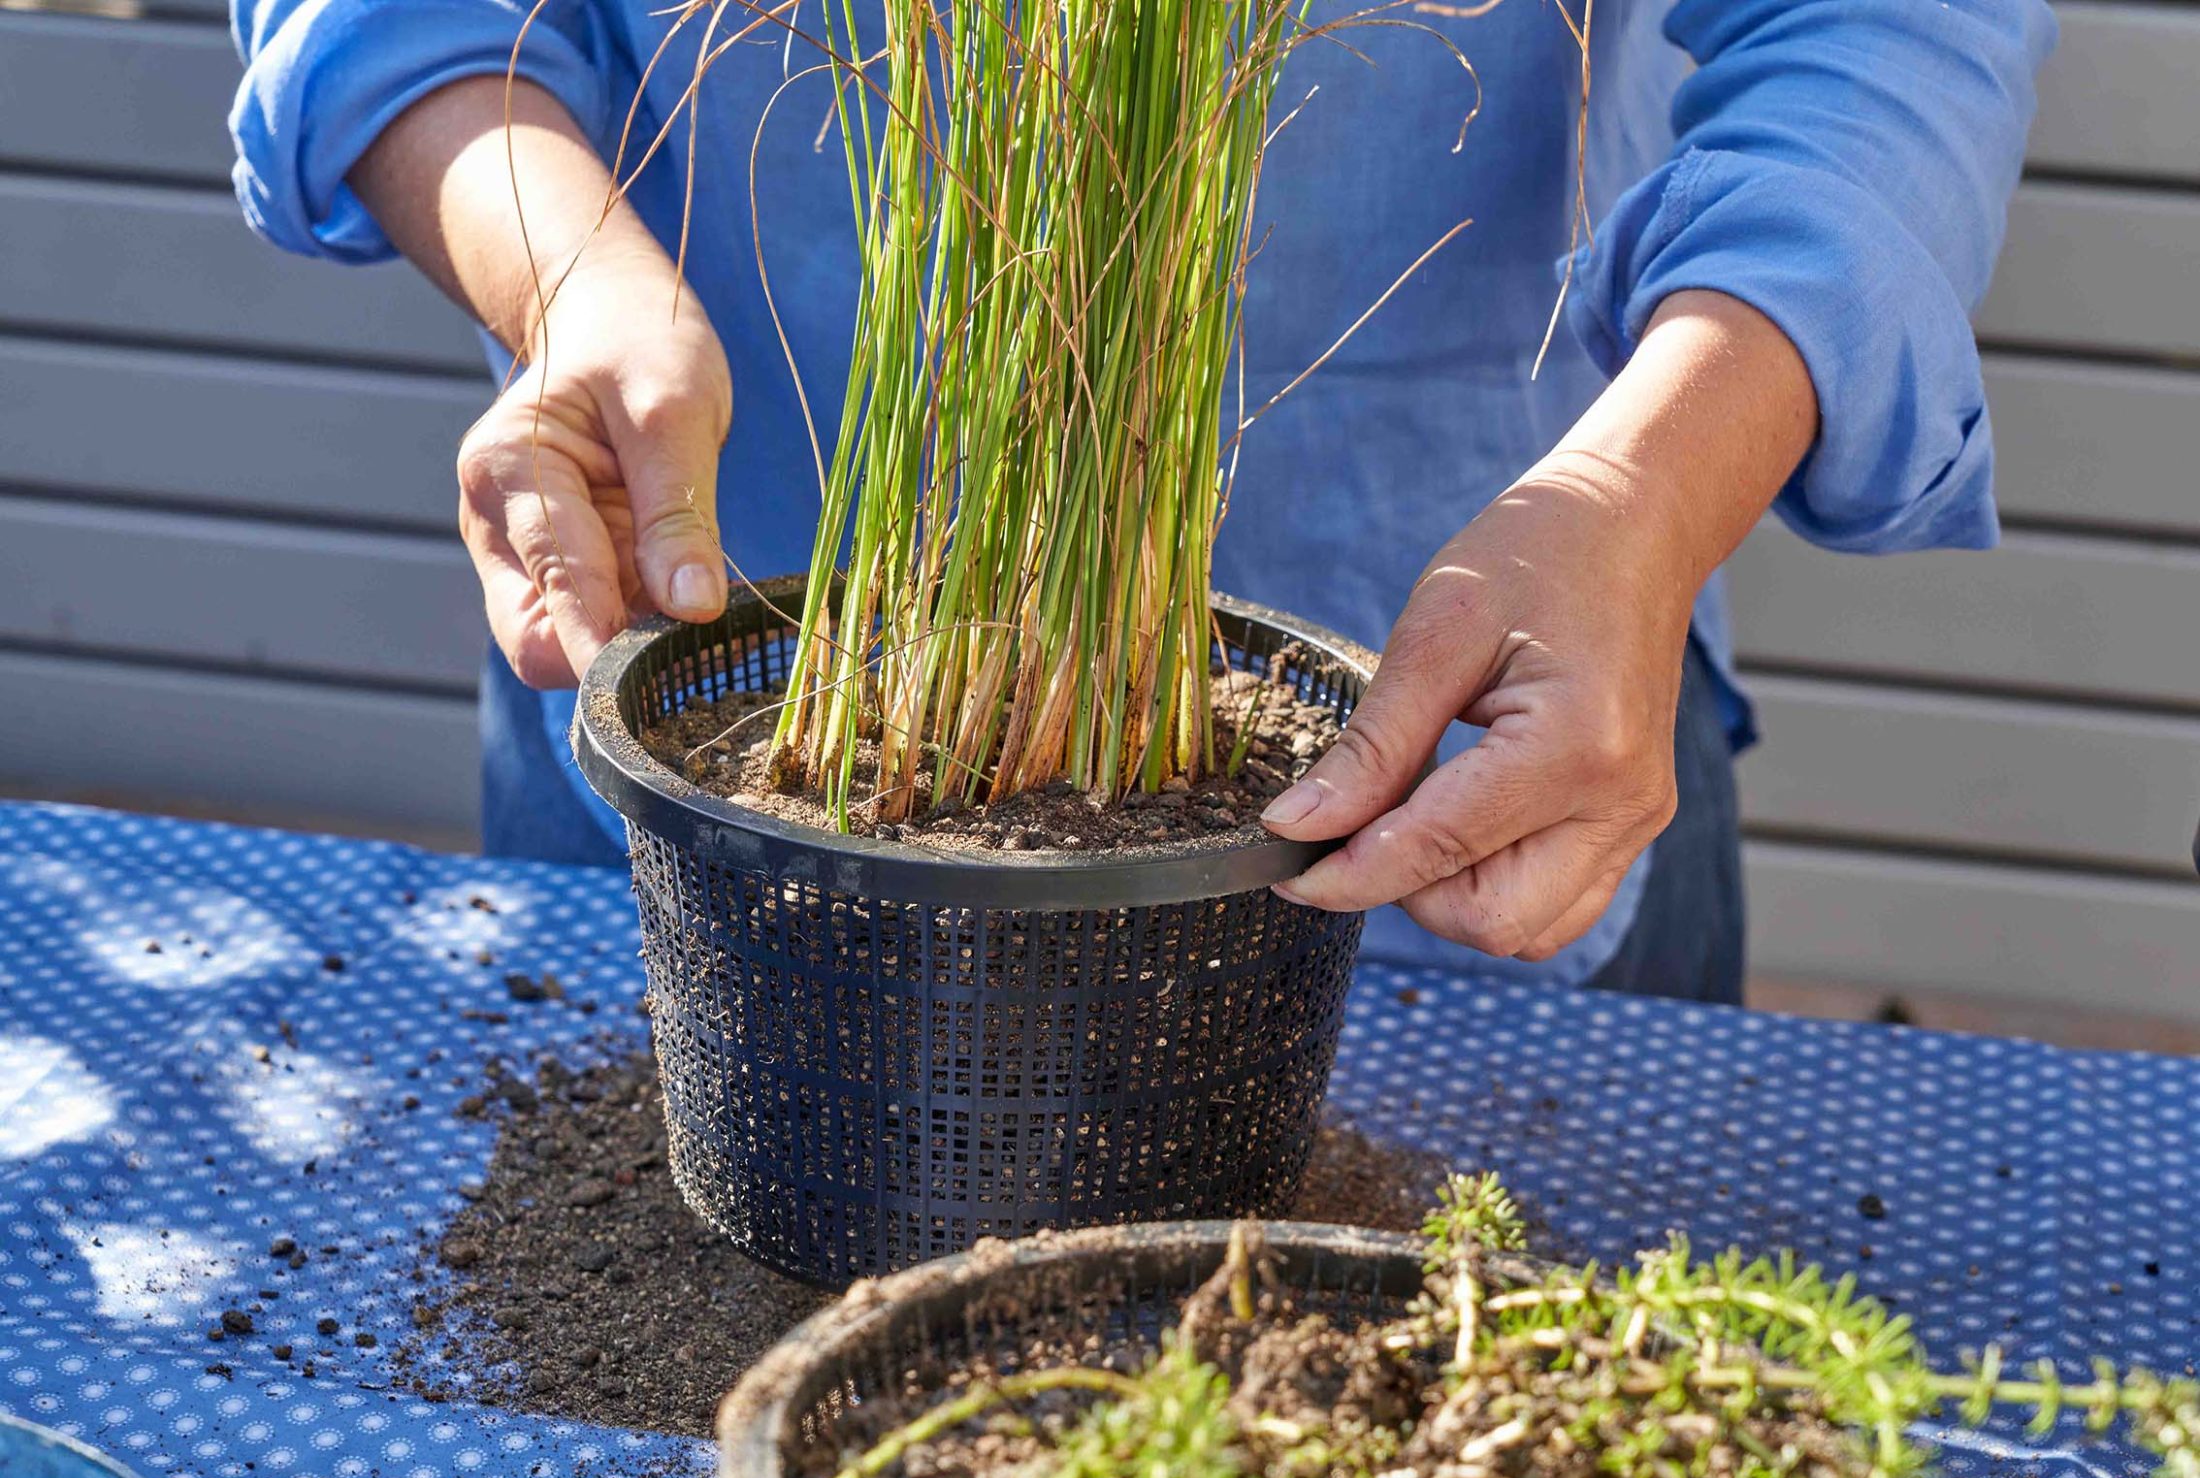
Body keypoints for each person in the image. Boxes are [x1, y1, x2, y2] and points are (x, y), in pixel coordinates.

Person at [229, 0, 2053, 1005]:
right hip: (717, 680)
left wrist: (1641, 488)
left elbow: (1884, 30)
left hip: (1470, 713)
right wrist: (572, 292)